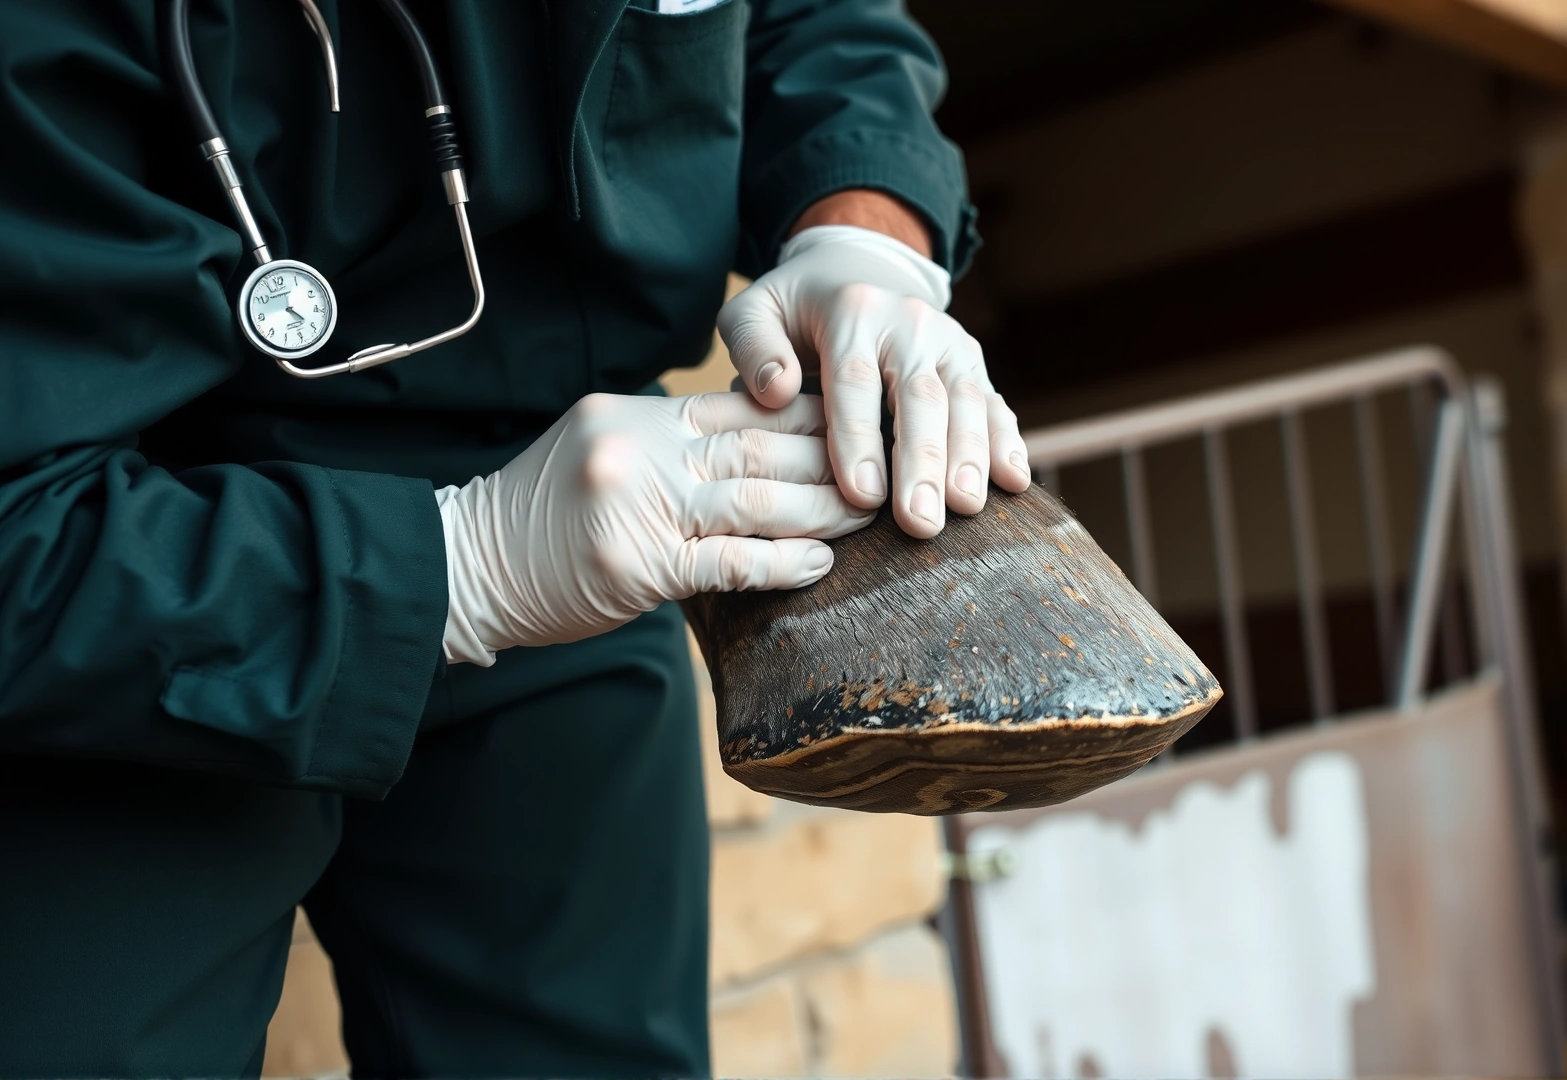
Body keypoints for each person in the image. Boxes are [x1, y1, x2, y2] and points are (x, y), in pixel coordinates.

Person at [0, 1, 1026, 1074]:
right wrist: (467, 563)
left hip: (584, 521)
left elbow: (818, 24)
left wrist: (865, 241)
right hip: (137, 568)